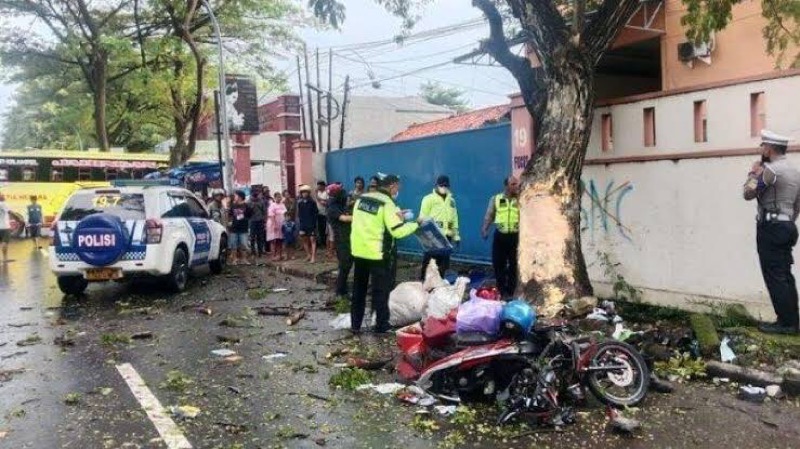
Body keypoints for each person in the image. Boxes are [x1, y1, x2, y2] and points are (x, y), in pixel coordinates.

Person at [744, 130, 800, 335]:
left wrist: (753, 174)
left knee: (774, 275)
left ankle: (785, 323)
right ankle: (792, 320)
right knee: (785, 275)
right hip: (788, 227)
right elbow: (797, 204)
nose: (761, 149)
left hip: (771, 228)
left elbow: (748, 193)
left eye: (763, 146)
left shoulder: (771, 170)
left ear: (769, 148)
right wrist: (787, 222)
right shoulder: (794, 171)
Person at [350, 173, 420, 334]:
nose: (398, 190)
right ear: (391, 186)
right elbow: (398, 232)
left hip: (359, 251)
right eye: (398, 187)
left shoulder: (361, 199)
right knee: (380, 291)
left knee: (358, 291)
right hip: (377, 254)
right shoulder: (387, 204)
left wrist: (398, 215)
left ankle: (355, 325)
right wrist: (415, 224)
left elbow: (368, 221)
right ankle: (381, 326)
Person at [481, 176, 521, 298]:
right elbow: (490, 215)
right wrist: (485, 228)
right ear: (507, 186)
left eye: (516, 184)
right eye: (513, 184)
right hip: (500, 237)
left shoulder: (520, 199)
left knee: (514, 265)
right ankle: (502, 291)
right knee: (499, 264)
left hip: (515, 237)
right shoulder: (496, 199)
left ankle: (511, 291)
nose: (516, 186)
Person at [419, 175, 460, 279]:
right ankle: (424, 284)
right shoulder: (428, 199)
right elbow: (422, 218)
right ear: (436, 185)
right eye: (441, 185)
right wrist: (425, 237)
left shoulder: (452, 201)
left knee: (444, 265)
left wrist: (456, 236)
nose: (444, 187)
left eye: (446, 185)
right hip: (433, 237)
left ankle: (439, 287)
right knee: (429, 264)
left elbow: (454, 220)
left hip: (447, 237)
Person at [327, 182, 353, 299]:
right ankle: (340, 291)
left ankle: (343, 290)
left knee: (347, 266)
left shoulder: (340, 206)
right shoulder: (333, 208)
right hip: (341, 241)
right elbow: (344, 218)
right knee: (344, 266)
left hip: (348, 239)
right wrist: (360, 216)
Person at [228, 190, 252, 265]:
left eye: (235, 195)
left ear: (240, 196)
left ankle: (244, 259)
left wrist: (243, 217)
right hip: (234, 228)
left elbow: (250, 215)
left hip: (243, 228)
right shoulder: (233, 205)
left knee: (244, 245)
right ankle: (234, 259)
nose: (234, 197)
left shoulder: (246, 206)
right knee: (233, 245)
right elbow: (230, 215)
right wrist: (229, 223)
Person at [296, 184, 319, 263]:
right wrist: (300, 223)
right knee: (304, 240)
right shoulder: (300, 203)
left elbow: (316, 213)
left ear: (308, 193)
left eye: (306, 192)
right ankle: (308, 254)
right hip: (303, 224)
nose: (304, 194)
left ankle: (313, 257)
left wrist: (314, 224)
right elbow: (299, 214)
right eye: (303, 192)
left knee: (312, 240)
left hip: (311, 224)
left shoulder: (312, 202)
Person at [267, 192, 287, 261]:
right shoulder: (272, 205)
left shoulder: (282, 204)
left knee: (280, 240)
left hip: (281, 224)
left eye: (280, 197)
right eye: (277, 197)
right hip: (273, 224)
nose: (279, 198)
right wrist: (274, 225)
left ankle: (279, 255)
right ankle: (273, 255)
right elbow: (271, 215)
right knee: (273, 240)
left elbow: (285, 213)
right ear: (275, 198)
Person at [247, 189, 267, 258]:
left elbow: (264, 211)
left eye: (256, 193)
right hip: (252, 221)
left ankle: (260, 252)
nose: (255, 194)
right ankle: (253, 252)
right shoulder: (249, 202)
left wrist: (264, 221)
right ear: (251, 193)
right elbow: (247, 213)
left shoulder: (261, 201)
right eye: (254, 193)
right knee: (252, 237)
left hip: (260, 221)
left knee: (260, 237)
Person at [314, 181, 330, 253]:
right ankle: (322, 244)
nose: (318, 187)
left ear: (323, 186)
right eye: (317, 186)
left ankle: (327, 245)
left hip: (325, 214)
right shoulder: (318, 192)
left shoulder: (327, 192)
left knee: (325, 230)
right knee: (320, 229)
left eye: (319, 186)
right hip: (319, 213)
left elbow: (326, 202)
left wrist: (318, 198)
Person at [0, 194, 10, 262]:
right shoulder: (3, 204)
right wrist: (19, 218)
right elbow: (10, 212)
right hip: (4, 227)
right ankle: (4, 258)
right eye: (3, 196)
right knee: (4, 242)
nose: (4, 196)